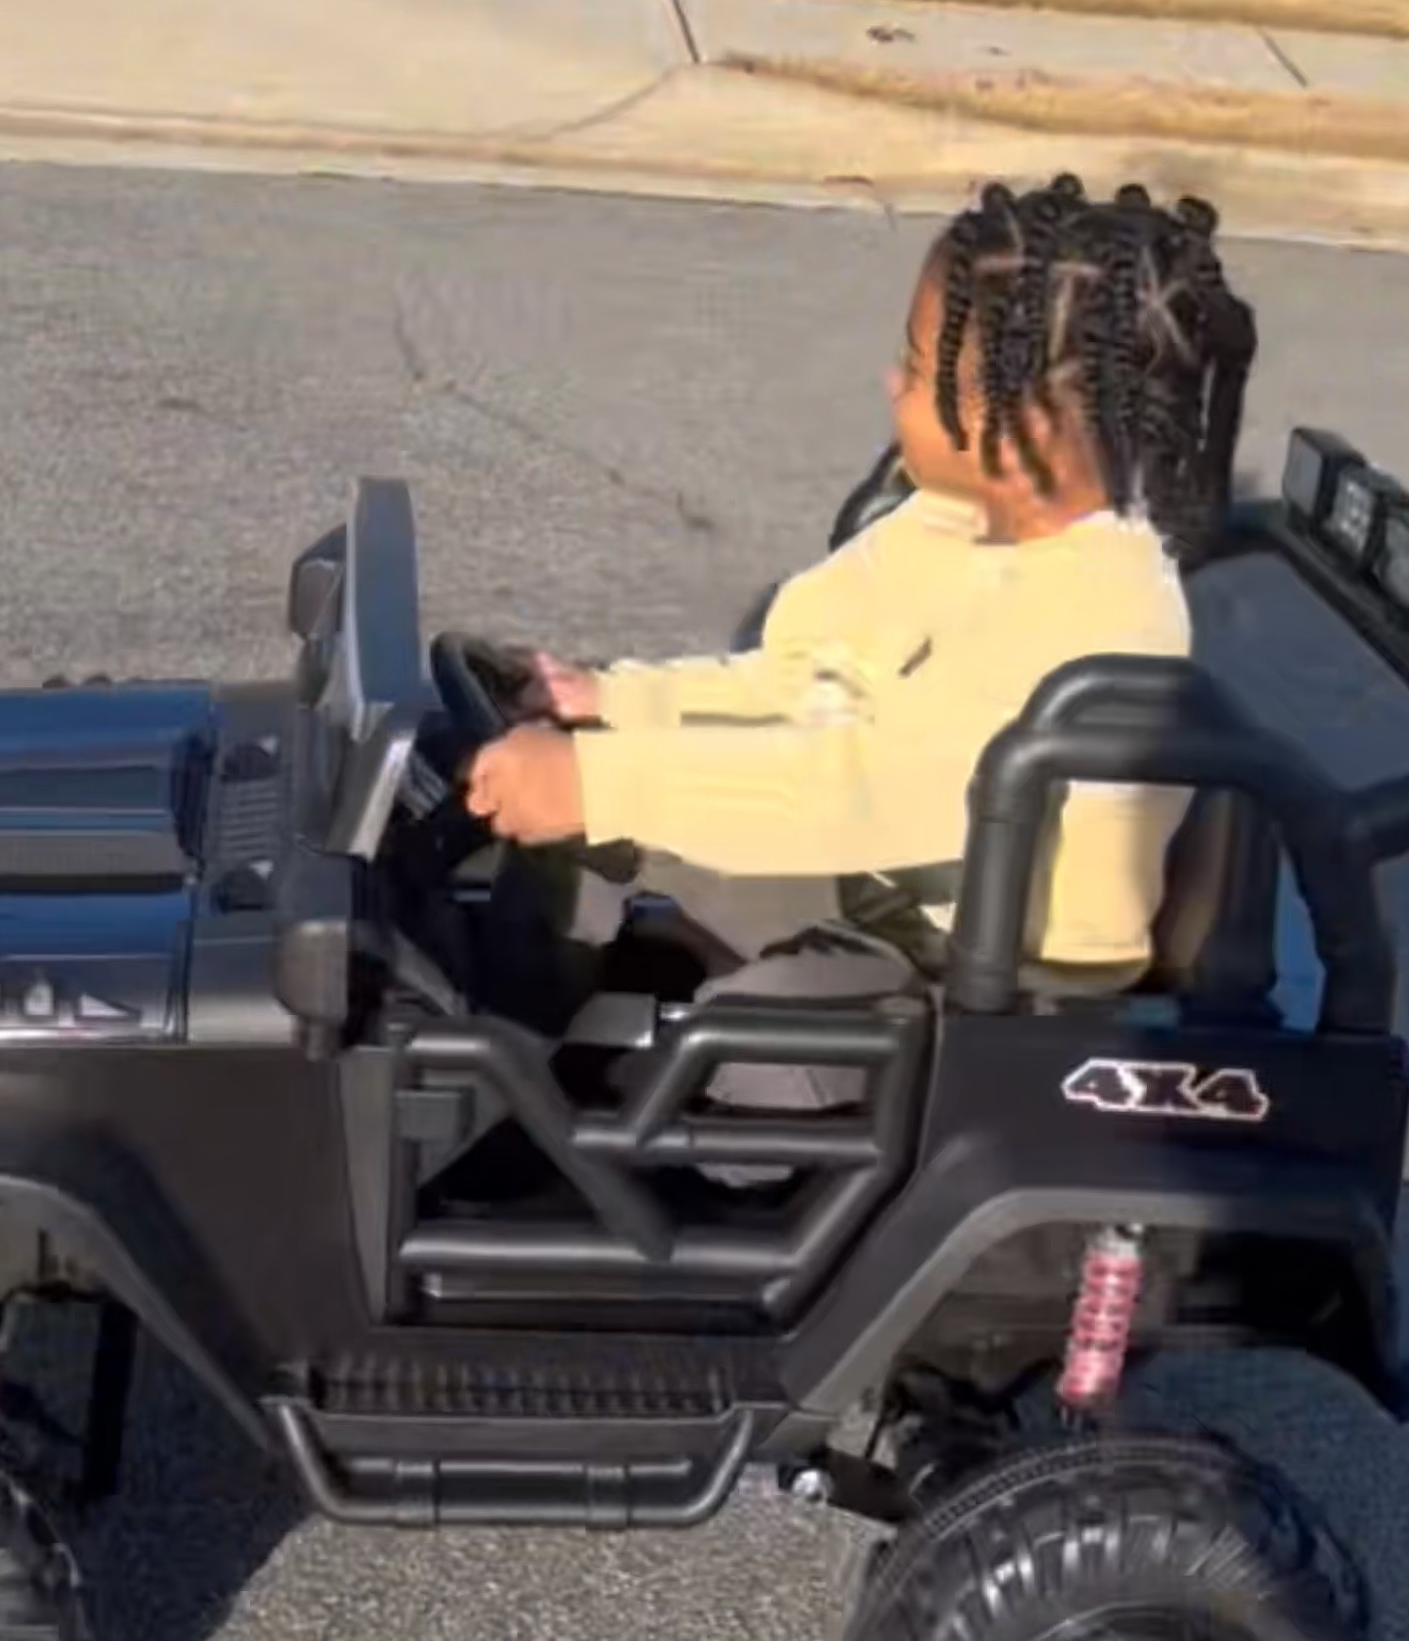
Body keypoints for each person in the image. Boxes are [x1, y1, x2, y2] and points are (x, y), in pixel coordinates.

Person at [463, 176, 1257, 1024]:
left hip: (998, 983)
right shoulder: (959, 521)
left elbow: (861, 791)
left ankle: (580, 1087)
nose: (891, 383)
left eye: (918, 367)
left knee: (744, 1042)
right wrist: (617, 703)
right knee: (593, 863)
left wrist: (600, 786)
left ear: (1029, 428)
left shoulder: (1093, 617)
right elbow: (815, 680)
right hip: (899, 882)